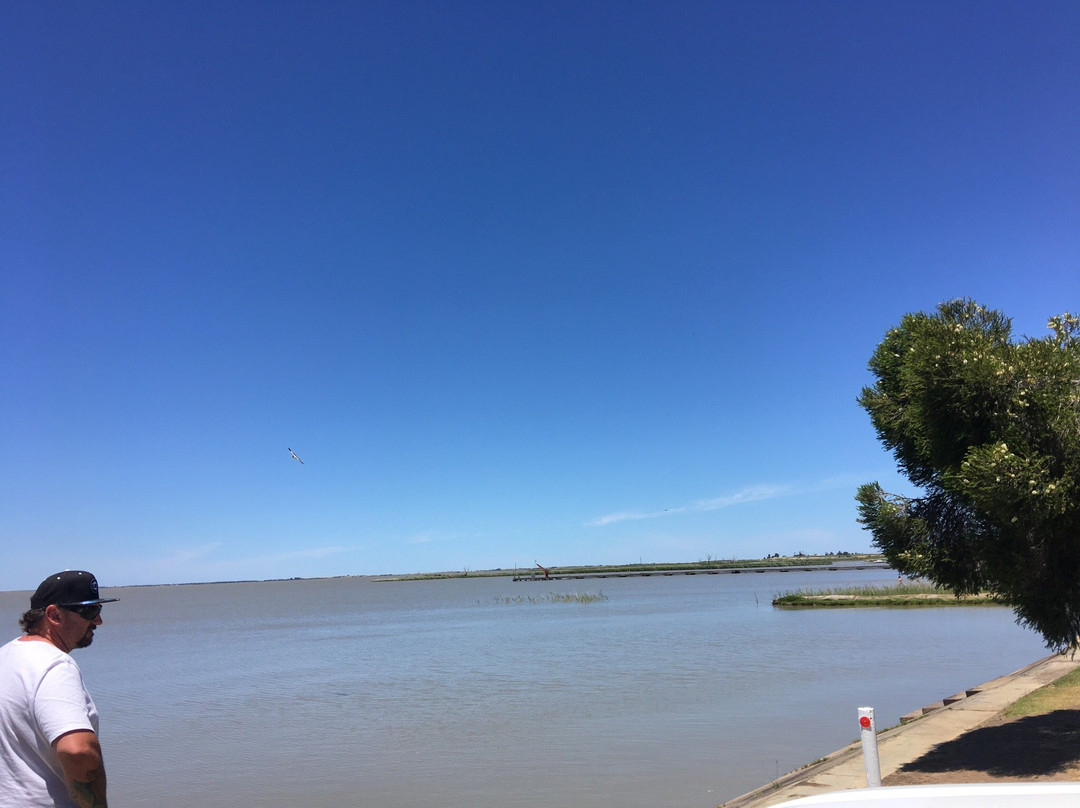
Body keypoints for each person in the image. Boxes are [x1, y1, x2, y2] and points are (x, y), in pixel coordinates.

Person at [0, 571, 119, 808]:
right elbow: (78, 751)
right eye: (89, 611)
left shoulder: (5, 656)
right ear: (54, 614)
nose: (98, 621)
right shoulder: (54, 666)